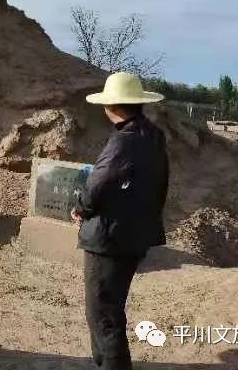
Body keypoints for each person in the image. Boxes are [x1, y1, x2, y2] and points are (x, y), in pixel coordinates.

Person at [71, 73, 169, 370]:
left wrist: (81, 209)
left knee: (102, 315)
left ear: (111, 105)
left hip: (109, 240)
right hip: (135, 236)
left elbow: (97, 184)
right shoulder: (153, 136)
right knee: (112, 310)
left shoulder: (122, 140)